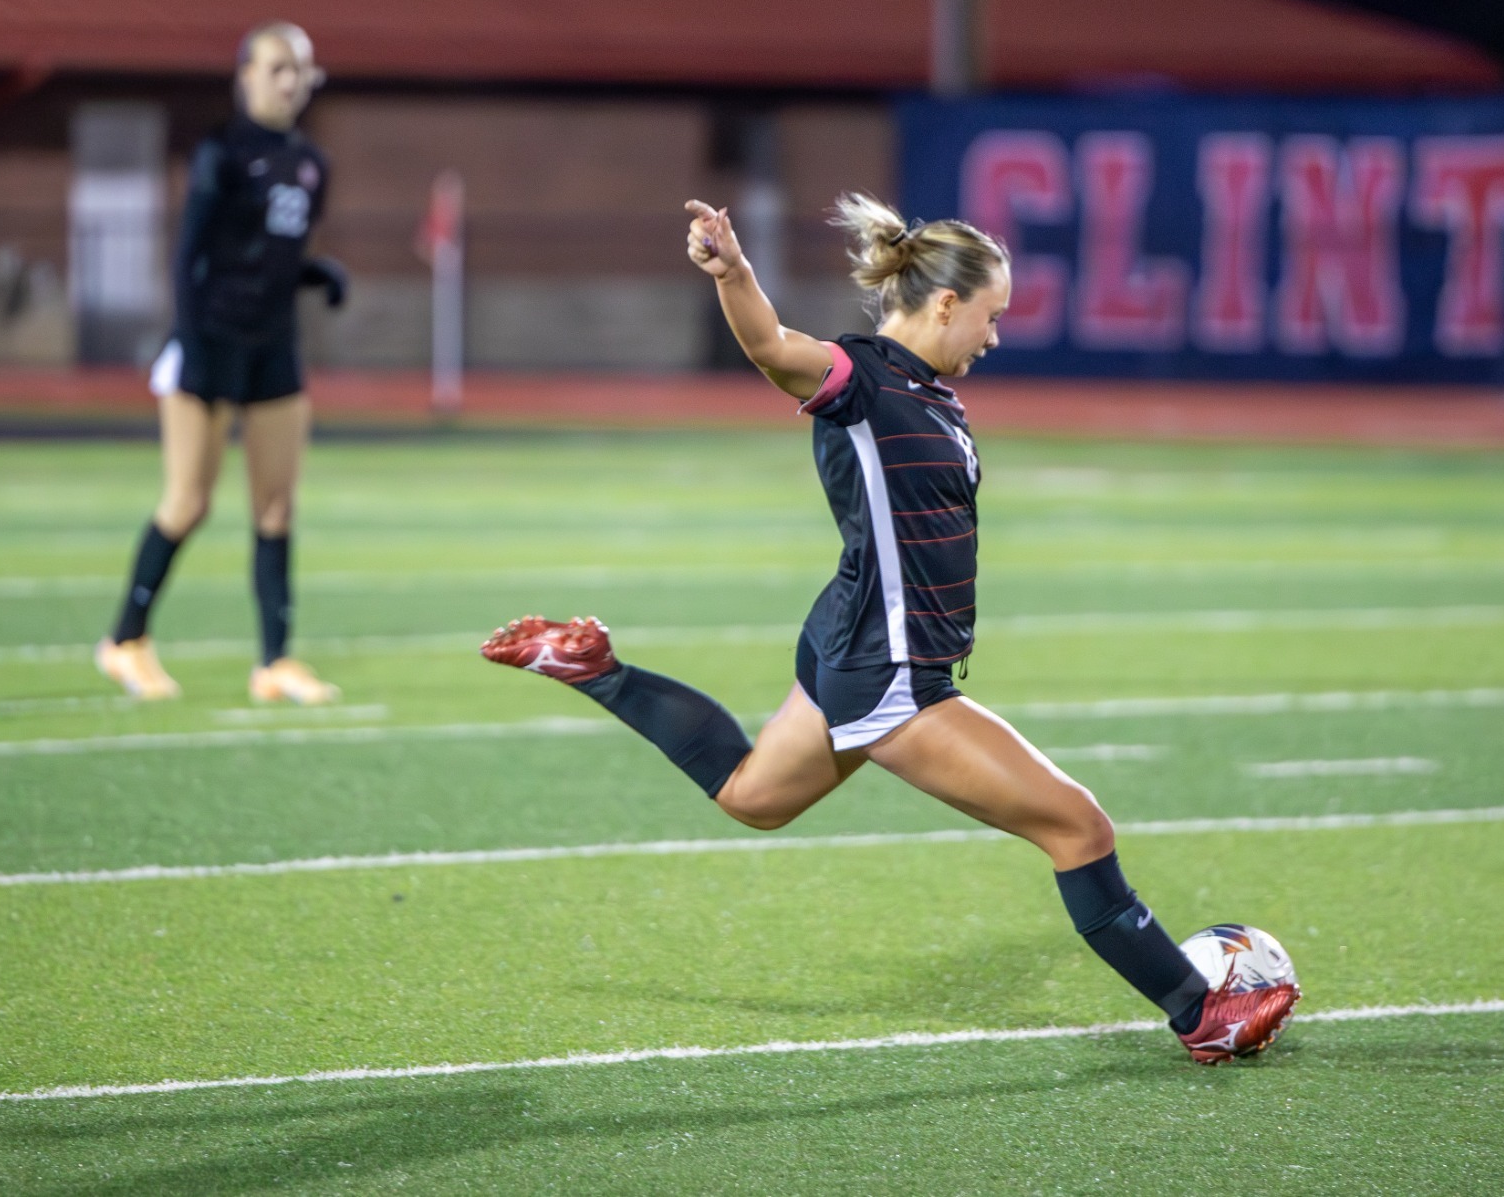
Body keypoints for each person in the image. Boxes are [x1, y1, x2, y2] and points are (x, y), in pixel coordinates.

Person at [480, 193, 1299, 1062]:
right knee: (1078, 828)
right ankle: (1197, 1011)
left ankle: (597, 669)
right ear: (946, 303)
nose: (994, 336)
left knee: (754, 797)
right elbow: (771, 350)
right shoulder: (863, 377)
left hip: (852, 638)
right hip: (891, 672)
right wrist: (736, 272)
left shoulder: (927, 390)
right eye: (991, 316)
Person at [95, 22, 349, 705]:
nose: (288, 81)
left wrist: (314, 274)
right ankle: (125, 641)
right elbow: (192, 255)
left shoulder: (311, 163)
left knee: (275, 507)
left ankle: (275, 661)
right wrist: (192, 339)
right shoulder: (222, 153)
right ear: (245, 76)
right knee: (188, 501)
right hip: (210, 340)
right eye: (275, 69)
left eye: (298, 69)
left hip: (273, 346)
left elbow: (268, 254)